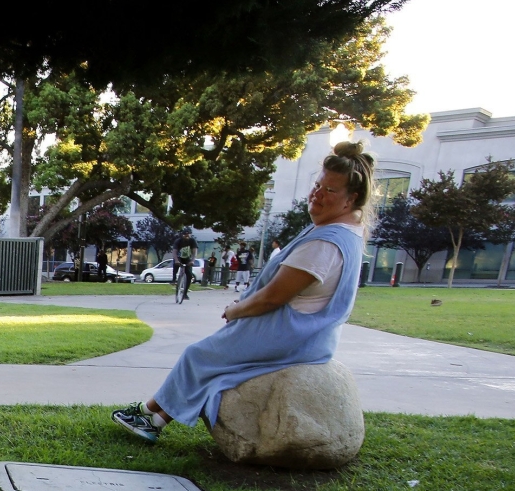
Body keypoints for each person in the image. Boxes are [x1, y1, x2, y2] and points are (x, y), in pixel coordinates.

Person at [112, 141, 375, 443]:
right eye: (318, 185)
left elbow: (273, 297)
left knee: (199, 356)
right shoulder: (346, 234)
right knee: (208, 360)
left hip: (292, 335)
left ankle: (150, 418)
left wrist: (235, 310)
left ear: (350, 199)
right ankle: (153, 415)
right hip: (310, 336)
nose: (317, 194)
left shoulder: (324, 245)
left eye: (329, 190)